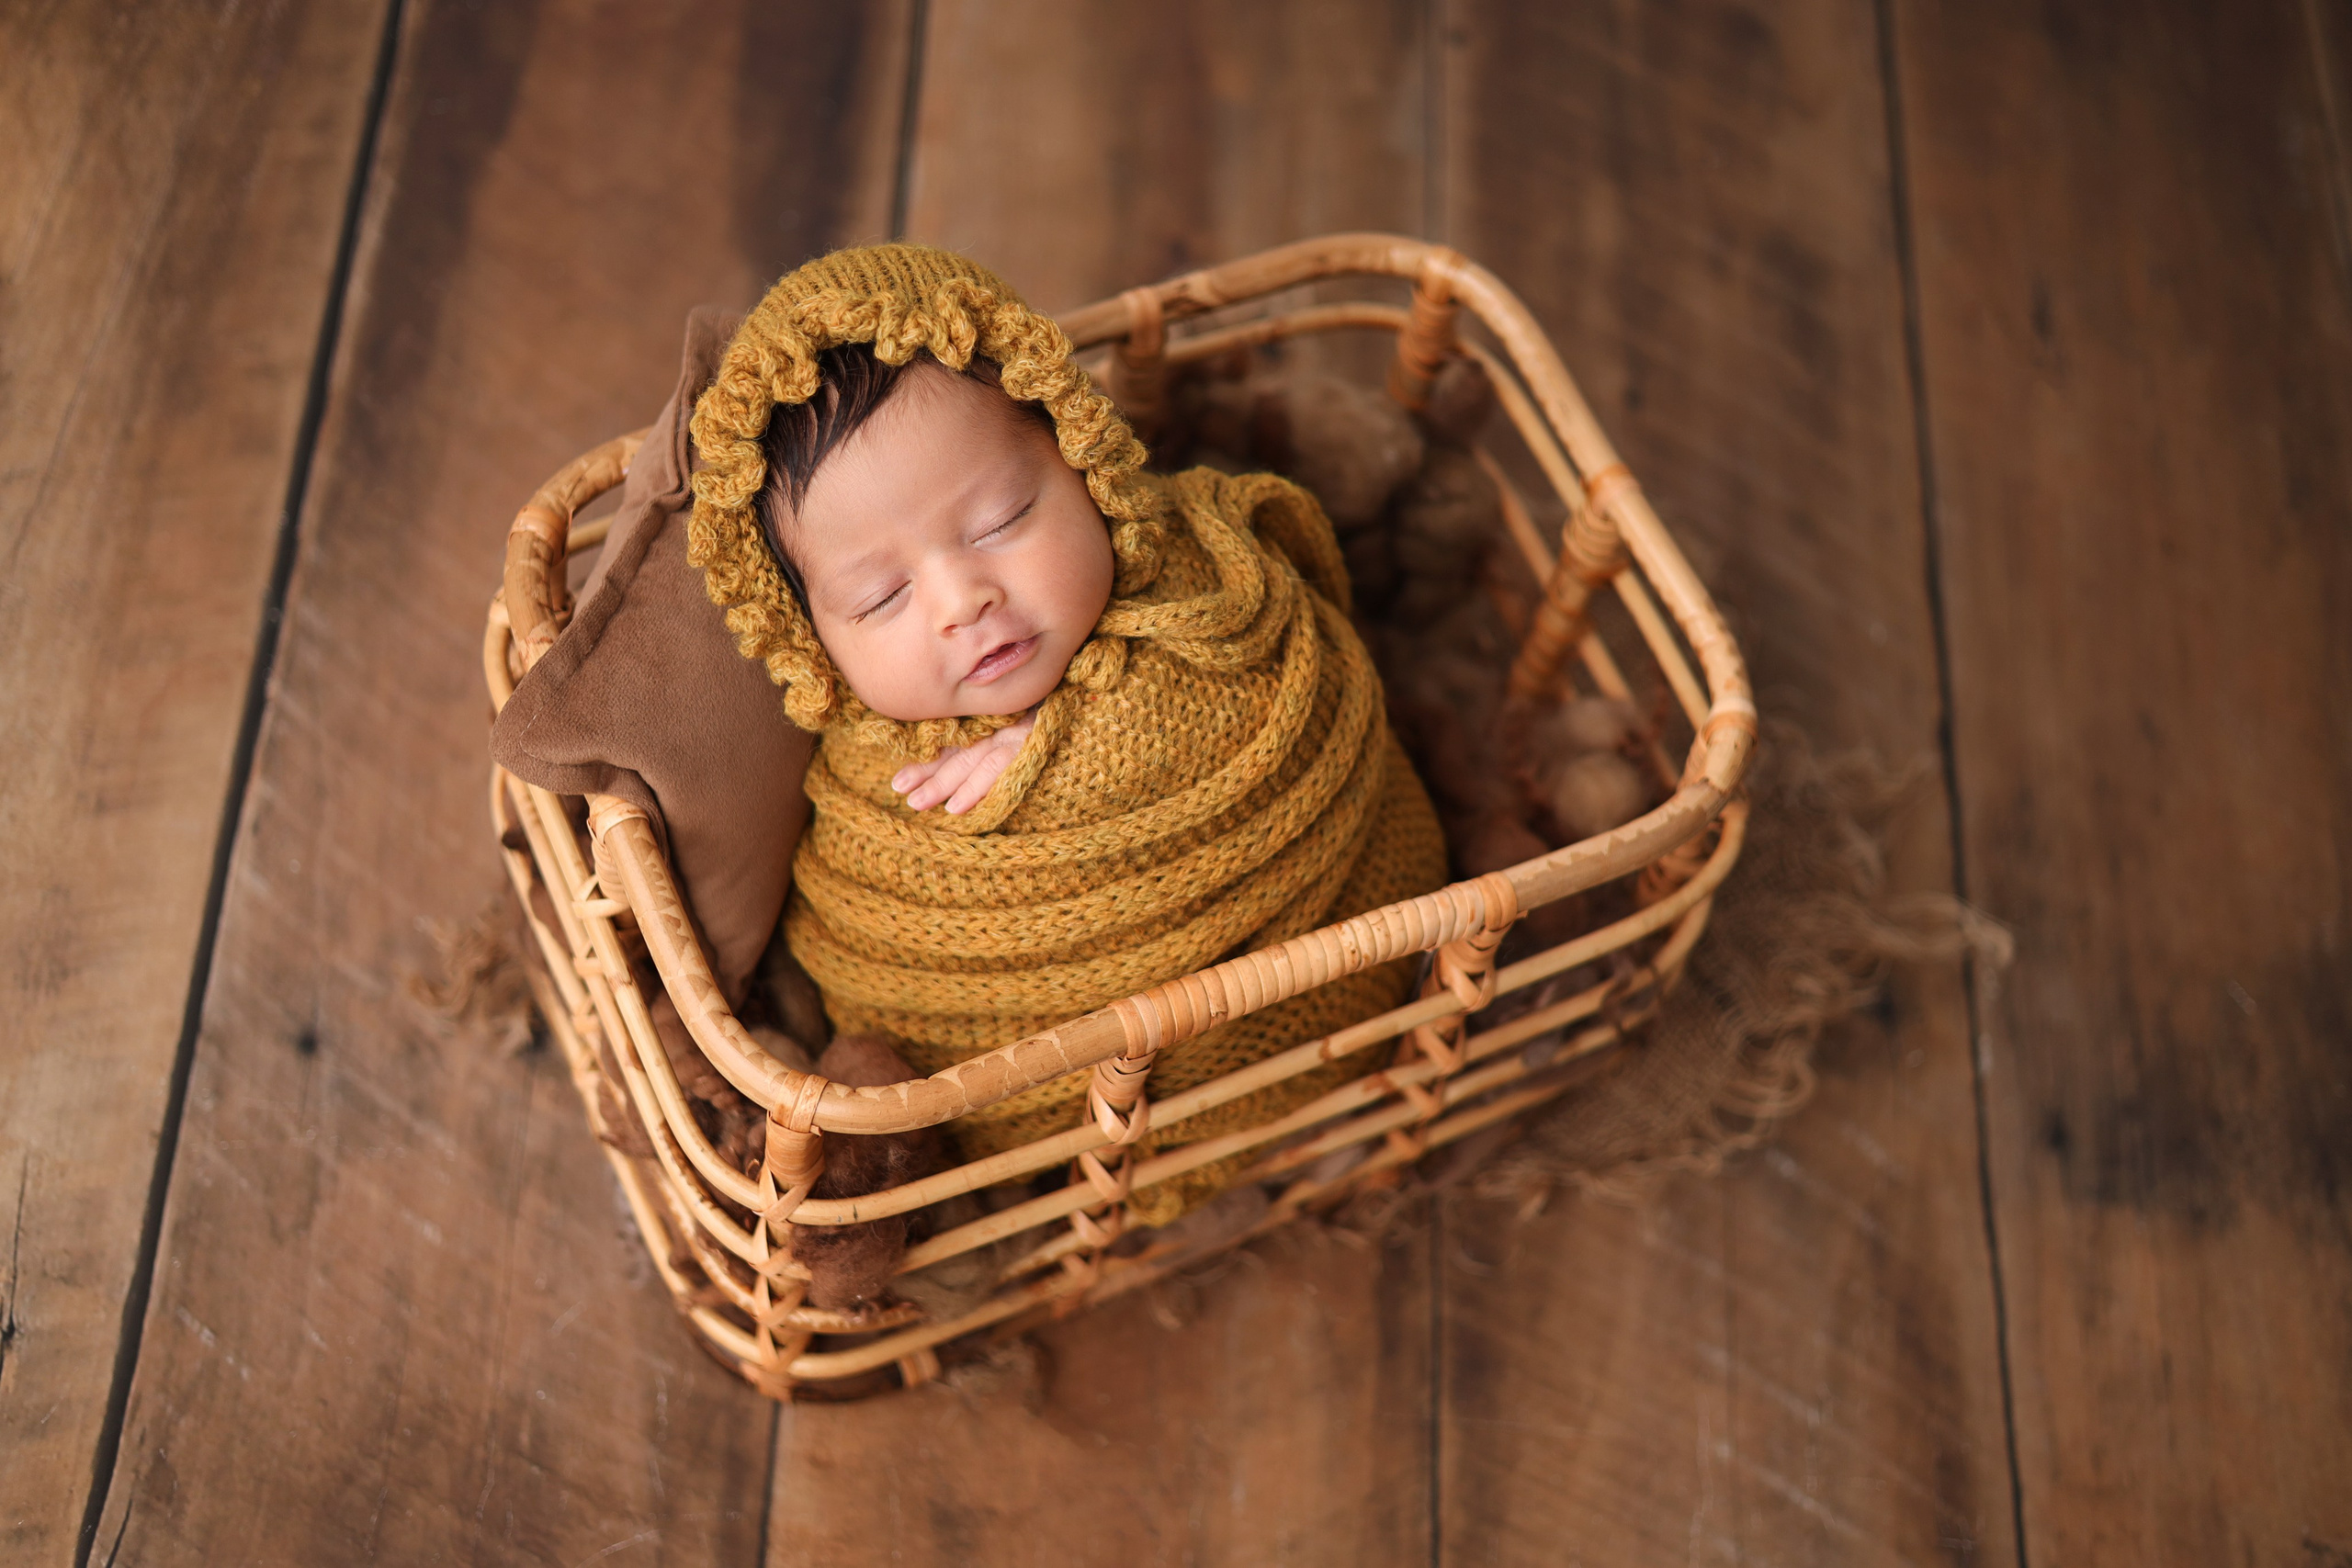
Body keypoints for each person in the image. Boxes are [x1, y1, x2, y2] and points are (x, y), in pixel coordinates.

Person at [687, 243, 1448, 1260]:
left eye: (1002, 520)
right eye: (881, 597)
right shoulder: (871, 795)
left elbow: (1287, 688)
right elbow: (883, 972)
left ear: (1084, 460)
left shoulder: (1204, 589)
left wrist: (1074, 746)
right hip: (1080, 1113)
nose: (964, 603)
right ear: (808, 642)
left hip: (1339, 965)